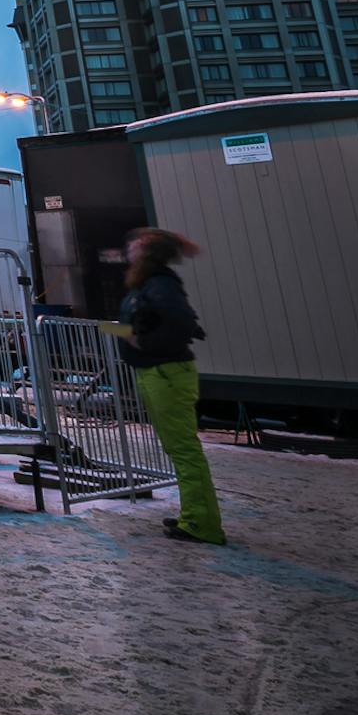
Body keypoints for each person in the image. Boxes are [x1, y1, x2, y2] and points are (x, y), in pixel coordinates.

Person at [118, 227, 225, 545]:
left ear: (148, 253)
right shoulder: (147, 284)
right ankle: (193, 514)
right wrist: (111, 329)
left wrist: (144, 344)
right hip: (156, 373)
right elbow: (135, 325)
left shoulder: (160, 284)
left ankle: (202, 523)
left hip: (165, 374)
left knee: (184, 450)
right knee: (179, 449)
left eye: (136, 245)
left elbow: (180, 323)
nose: (129, 248)